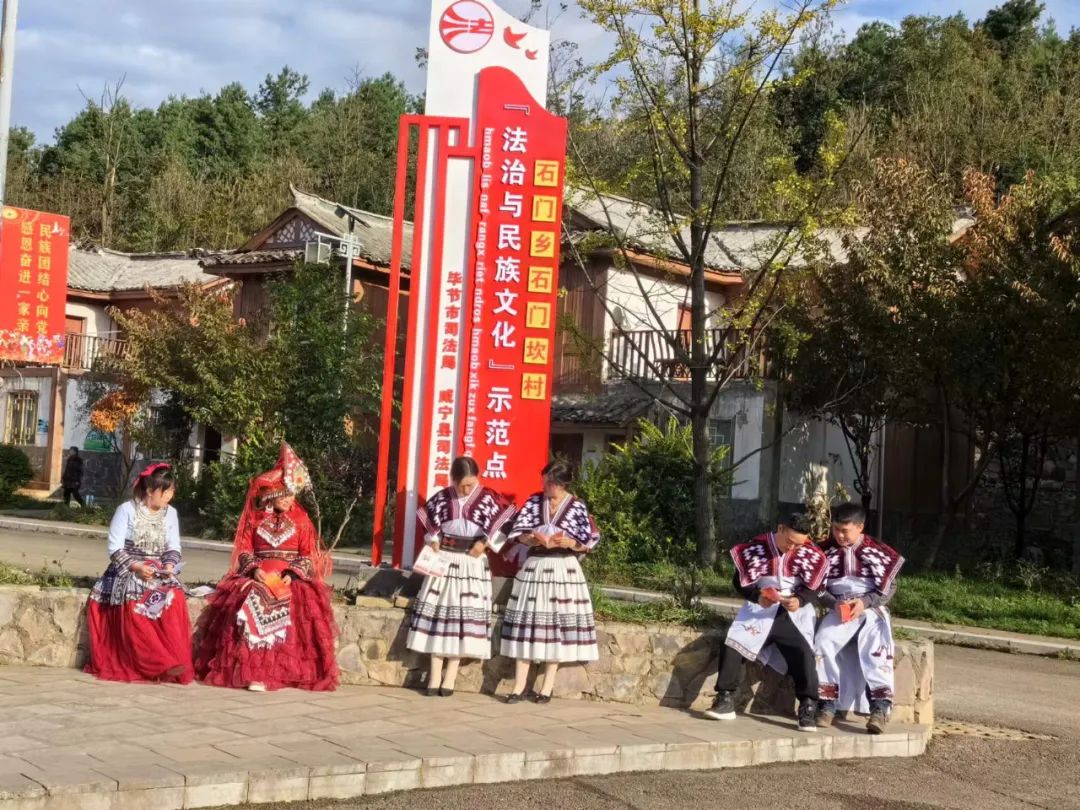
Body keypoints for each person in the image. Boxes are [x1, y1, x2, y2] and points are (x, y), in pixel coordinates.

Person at [195, 443, 339, 692]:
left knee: (290, 601)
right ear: (271, 496)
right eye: (284, 495)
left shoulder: (301, 520)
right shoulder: (255, 519)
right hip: (258, 576)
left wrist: (291, 574)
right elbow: (244, 550)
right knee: (254, 596)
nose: (290, 499)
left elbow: (308, 554)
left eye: (291, 494)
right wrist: (254, 570)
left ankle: (280, 672)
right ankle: (254, 672)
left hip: (289, 578)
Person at [704, 513, 827, 732]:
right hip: (760, 608)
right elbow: (739, 581)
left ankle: (808, 706)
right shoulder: (755, 547)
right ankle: (725, 699)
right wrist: (756, 596)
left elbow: (815, 587)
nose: (793, 548)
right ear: (781, 529)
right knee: (733, 643)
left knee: (803, 651)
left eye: (798, 545)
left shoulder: (810, 553)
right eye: (789, 541)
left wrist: (800, 600)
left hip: (792, 613)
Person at [407, 456, 515, 697]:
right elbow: (430, 526)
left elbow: (506, 523)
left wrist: (485, 543)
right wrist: (433, 540)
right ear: (453, 480)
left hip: (471, 563)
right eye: (462, 485)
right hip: (444, 560)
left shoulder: (488, 498)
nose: (467, 489)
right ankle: (434, 676)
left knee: (461, 619)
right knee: (439, 616)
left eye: (471, 484)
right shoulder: (443, 498)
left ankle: (450, 677)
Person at [500, 460, 600, 704]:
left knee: (557, 625)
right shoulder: (534, 502)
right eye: (544, 482)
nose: (545, 487)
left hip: (563, 568)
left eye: (550, 484)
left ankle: (546, 687)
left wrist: (571, 543)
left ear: (562, 484)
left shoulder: (577, 507)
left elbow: (589, 539)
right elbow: (516, 530)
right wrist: (528, 539)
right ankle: (519, 686)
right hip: (535, 566)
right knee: (527, 622)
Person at [85, 463, 193, 684]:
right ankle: (157, 662)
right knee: (135, 602)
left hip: (158, 569)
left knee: (175, 598)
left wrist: (169, 568)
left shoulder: (170, 513)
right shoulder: (126, 510)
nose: (169, 496)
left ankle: (171, 658)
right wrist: (137, 567)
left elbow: (173, 546)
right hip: (129, 568)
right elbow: (115, 548)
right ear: (150, 490)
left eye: (171, 491)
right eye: (165, 491)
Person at [814, 502, 905, 734]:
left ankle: (879, 710)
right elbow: (815, 587)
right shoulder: (822, 551)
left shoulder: (879, 551)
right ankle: (827, 704)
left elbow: (890, 587)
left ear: (860, 527)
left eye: (845, 530)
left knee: (877, 649)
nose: (839, 535)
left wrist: (865, 602)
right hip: (838, 609)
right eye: (836, 529)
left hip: (871, 611)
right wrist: (834, 603)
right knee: (823, 641)